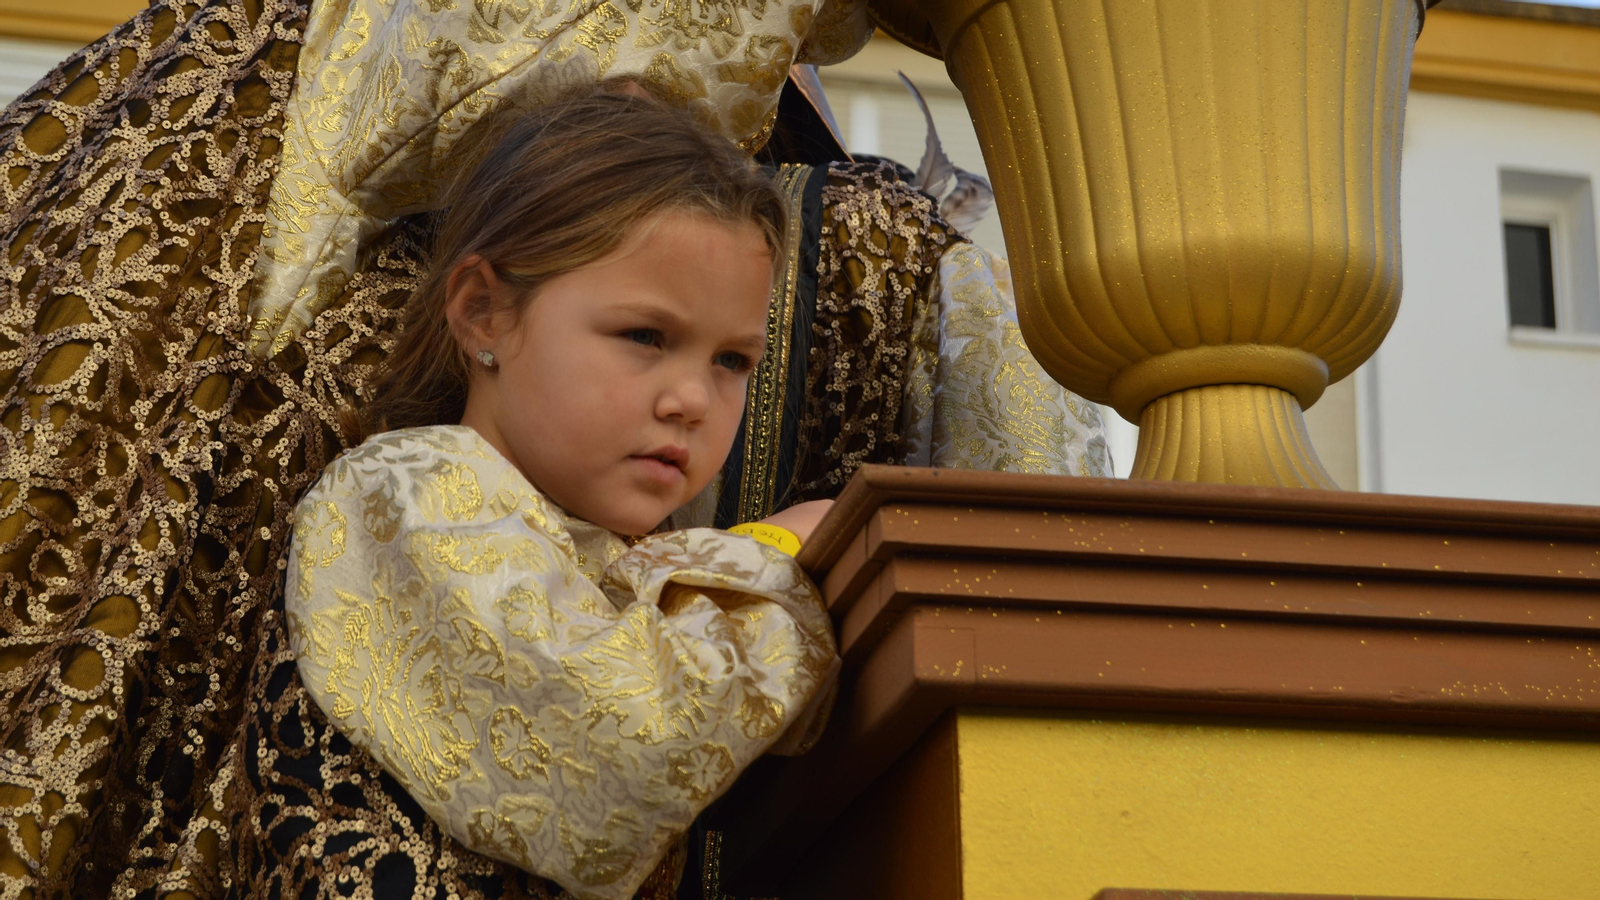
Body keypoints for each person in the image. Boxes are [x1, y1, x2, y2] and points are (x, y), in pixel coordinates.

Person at [277, 93, 842, 900]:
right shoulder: (405, 493)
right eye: (645, 336)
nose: (692, 398)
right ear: (485, 314)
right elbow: (629, 744)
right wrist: (769, 553)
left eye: (732, 362)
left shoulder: (632, 560)